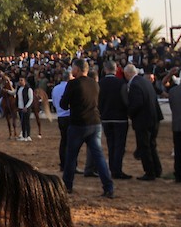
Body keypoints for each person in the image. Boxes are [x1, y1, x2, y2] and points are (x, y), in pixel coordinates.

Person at [57, 58, 115, 198]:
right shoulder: (95, 84)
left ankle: (67, 186)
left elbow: (63, 104)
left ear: (77, 69)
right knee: (99, 156)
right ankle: (108, 187)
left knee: (71, 157)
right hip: (95, 123)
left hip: (78, 124)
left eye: (73, 68)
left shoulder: (72, 84)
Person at [124, 64, 162, 180]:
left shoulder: (135, 85)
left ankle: (149, 172)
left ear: (128, 74)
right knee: (152, 145)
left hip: (143, 120)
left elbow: (137, 103)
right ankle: (157, 169)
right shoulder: (145, 82)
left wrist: (130, 113)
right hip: (154, 118)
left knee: (144, 146)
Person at [97, 60, 131, 179]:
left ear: (105, 70)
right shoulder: (121, 83)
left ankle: (112, 168)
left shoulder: (100, 84)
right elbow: (126, 101)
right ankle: (117, 170)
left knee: (111, 144)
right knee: (119, 145)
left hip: (106, 118)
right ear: (116, 69)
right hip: (120, 118)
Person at [51, 70, 72, 171]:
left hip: (60, 116)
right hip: (69, 116)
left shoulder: (55, 88)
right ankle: (71, 164)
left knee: (63, 141)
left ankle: (63, 164)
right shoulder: (70, 86)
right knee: (71, 142)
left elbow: (54, 103)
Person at [16, 76, 34, 141]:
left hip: (26, 108)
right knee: (22, 122)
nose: (20, 82)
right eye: (19, 80)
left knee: (27, 122)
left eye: (21, 80)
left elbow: (31, 99)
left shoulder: (29, 89)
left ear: (25, 81)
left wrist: (26, 106)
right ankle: (23, 135)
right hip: (20, 108)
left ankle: (28, 135)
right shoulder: (19, 89)